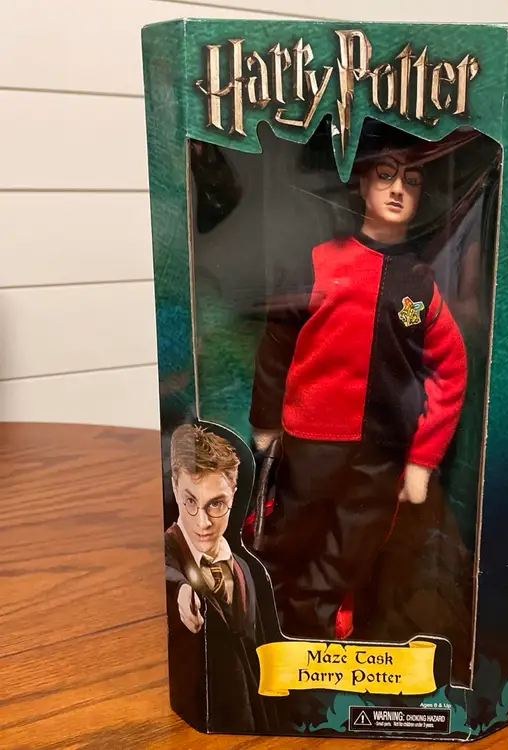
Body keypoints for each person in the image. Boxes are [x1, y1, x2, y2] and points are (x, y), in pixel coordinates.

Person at [248, 125, 468, 641]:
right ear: (363, 184)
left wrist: (422, 458)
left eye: (411, 181)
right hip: (312, 441)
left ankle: (318, 620)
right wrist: (266, 421)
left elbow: (452, 369)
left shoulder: (420, 284)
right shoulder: (320, 261)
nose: (398, 189)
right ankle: (270, 617)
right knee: (290, 533)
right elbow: (277, 344)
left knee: (355, 543)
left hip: (381, 453)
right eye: (386, 175)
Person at [164, 423, 277, 733]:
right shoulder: (167, 555)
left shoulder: (245, 570)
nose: (202, 522)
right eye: (190, 501)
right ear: (175, 488)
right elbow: (165, 570)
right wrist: (180, 589)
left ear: (233, 496)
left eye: (216, 504)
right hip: (187, 727)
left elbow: (258, 659)